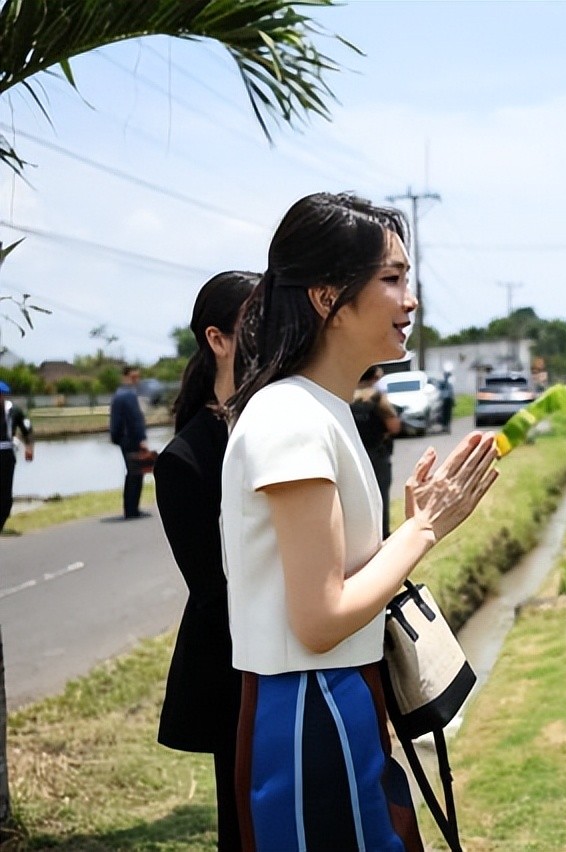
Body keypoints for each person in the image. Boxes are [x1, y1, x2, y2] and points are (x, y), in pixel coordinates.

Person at [221, 191, 499, 851]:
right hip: (310, 705)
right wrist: (424, 528)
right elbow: (319, 620)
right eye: (392, 278)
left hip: (337, 693)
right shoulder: (292, 417)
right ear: (327, 297)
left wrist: (412, 527)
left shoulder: (322, 409)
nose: (410, 300)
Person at [154, 270, 258, 850]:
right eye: (257, 322)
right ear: (217, 340)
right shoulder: (186, 460)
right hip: (236, 677)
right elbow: (215, 590)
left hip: (298, 661)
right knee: (246, 830)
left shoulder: (283, 421)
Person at [350, 364, 401, 539]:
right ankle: (382, 535)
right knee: (381, 496)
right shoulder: (377, 398)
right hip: (377, 454)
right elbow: (393, 425)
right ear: (374, 377)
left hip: (354, 455)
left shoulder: (345, 398)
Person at [109, 365, 150, 519]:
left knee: (132, 473)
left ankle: (130, 508)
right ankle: (132, 509)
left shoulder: (118, 395)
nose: (136, 381)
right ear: (125, 377)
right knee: (136, 474)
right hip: (132, 439)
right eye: (133, 377)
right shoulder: (128, 395)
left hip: (123, 439)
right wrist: (141, 439)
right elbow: (135, 420)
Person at [1, 380, 35, 534]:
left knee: (6, 499)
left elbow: (27, 429)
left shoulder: (14, 411)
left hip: (7, 455)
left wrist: (29, 448)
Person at [437, 369, 455, 434]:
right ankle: (445, 426)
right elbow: (440, 392)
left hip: (448, 400)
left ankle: (447, 427)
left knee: (448, 414)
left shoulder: (450, 383)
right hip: (444, 401)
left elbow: (451, 393)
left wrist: (453, 401)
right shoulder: (442, 383)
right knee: (444, 414)